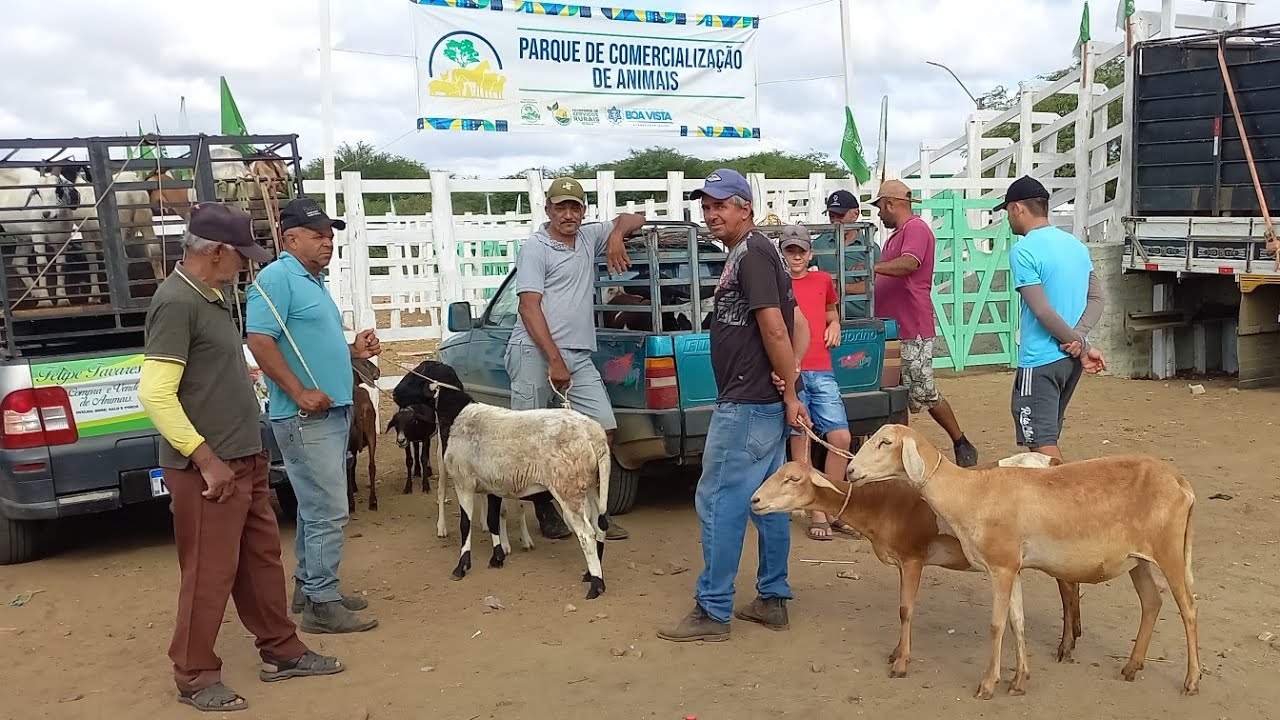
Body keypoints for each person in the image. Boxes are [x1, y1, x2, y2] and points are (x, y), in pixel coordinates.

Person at [138, 203, 343, 712]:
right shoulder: (176, 303)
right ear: (215, 252)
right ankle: (193, 674)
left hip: (242, 457)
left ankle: (281, 649)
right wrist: (206, 459)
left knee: (261, 561)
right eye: (241, 257)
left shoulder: (210, 296)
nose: (246, 266)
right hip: (208, 467)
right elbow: (155, 394)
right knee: (209, 571)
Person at [657, 168, 811, 642]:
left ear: (745, 207)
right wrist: (791, 379)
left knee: (720, 501)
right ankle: (771, 597)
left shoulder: (753, 255)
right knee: (769, 501)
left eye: (720, 204)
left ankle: (713, 609)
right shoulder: (757, 254)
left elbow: (778, 329)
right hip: (757, 402)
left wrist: (789, 389)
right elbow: (798, 322)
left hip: (746, 404)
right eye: (705, 206)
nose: (711, 214)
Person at [246, 197, 380, 635]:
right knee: (327, 507)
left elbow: (305, 346)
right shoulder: (277, 278)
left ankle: (311, 587)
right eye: (319, 235)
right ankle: (322, 603)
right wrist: (299, 392)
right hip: (306, 417)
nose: (328, 242)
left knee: (312, 507)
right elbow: (260, 341)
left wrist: (353, 353)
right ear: (291, 238)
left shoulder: (311, 281)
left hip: (329, 411)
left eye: (330, 235)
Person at [506, 176, 646, 542]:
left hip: (576, 353)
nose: (568, 214)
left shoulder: (588, 236)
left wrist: (615, 235)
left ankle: (590, 510)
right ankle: (545, 511)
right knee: (531, 436)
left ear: (583, 211)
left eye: (575, 207)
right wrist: (554, 359)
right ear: (548, 209)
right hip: (535, 351)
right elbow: (528, 306)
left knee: (602, 429)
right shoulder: (536, 248)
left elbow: (637, 217)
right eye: (560, 207)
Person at [870, 179, 979, 467]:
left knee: (922, 389)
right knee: (898, 393)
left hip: (910, 325)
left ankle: (960, 440)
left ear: (891, 203)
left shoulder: (915, 230)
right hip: (894, 325)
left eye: (880, 206)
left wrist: (874, 267)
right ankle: (903, 452)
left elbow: (910, 263)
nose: (879, 213)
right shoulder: (897, 236)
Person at [997, 176, 1107, 459]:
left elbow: (1042, 310)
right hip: (1069, 362)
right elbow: (1096, 299)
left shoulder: (1024, 250)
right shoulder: (1076, 246)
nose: (1008, 219)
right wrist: (1079, 341)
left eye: (1008, 211)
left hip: (1041, 359)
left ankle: (1066, 500)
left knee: (1041, 442)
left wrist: (1077, 343)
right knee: (1047, 433)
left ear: (1018, 208)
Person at [777, 225, 857, 541]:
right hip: (793, 371)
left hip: (821, 370)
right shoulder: (776, 285)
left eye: (801, 251)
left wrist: (835, 324)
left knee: (840, 438)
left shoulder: (822, 280)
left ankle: (831, 504)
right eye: (789, 251)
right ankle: (818, 511)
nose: (796, 256)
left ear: (810, 254)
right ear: (782, 255)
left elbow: (829, 311)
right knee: (802, 440)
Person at [810, 189, 881, 319]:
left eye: (840, 216)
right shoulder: (820, 243)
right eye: (832, 216)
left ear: (855, 214)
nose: (836, 221)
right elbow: (798, 266)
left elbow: (875, 286)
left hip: (862, 320)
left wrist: (837, 288)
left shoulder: (870, 248)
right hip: (828, 319)